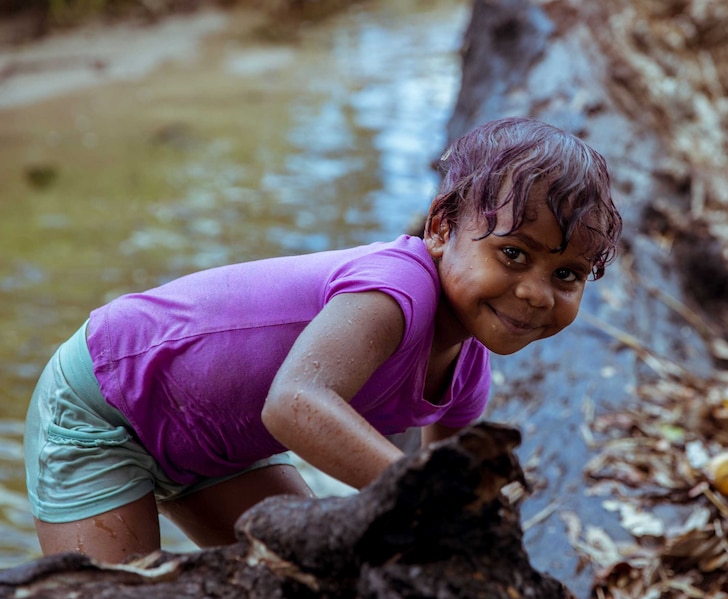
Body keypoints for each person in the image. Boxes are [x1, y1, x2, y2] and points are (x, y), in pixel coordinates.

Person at [24, 117, 623, 563]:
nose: (538, 293)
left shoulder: (465, 377)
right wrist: (433, 502)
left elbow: (437, 485)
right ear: (441, 228)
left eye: (566, 274)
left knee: (320, 578)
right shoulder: (396, 291)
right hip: (105, 404)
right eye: (513, 254)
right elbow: (295, 403)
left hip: (214, 446)